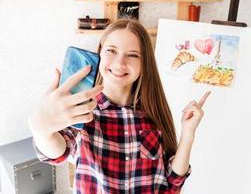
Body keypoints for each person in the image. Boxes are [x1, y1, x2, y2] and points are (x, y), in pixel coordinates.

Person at [28, 19, 210, 194]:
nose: (120, 63)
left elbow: (171, 184)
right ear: (100, 53)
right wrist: (41, 130)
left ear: (144, 63)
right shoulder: (82, 111)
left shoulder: (152, 115)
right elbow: (57, 151)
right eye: (111, 50)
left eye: (132, 55)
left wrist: (188, 133)